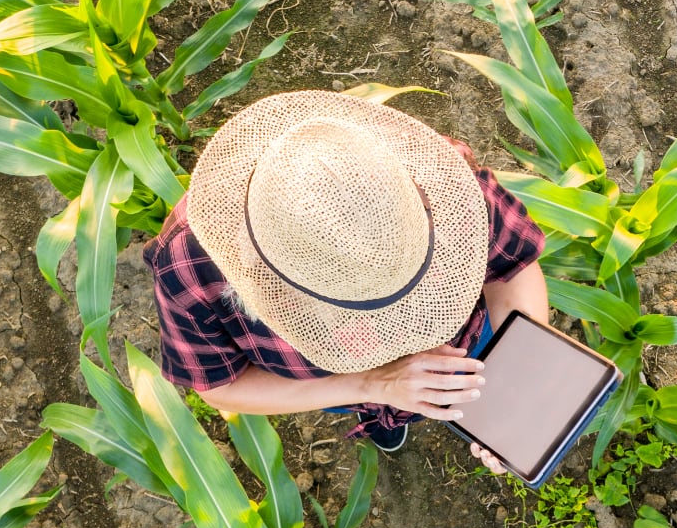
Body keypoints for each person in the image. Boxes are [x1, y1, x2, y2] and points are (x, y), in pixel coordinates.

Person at [145, 91, 549, 472]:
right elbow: (221, 385)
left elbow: (511, 267)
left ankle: (392, 415)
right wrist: (372, 385)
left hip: (463, 348)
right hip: (333, 386)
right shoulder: (189, 265)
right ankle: (382, 420)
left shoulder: (442, 180)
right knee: (371, 411)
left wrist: (515, 379)